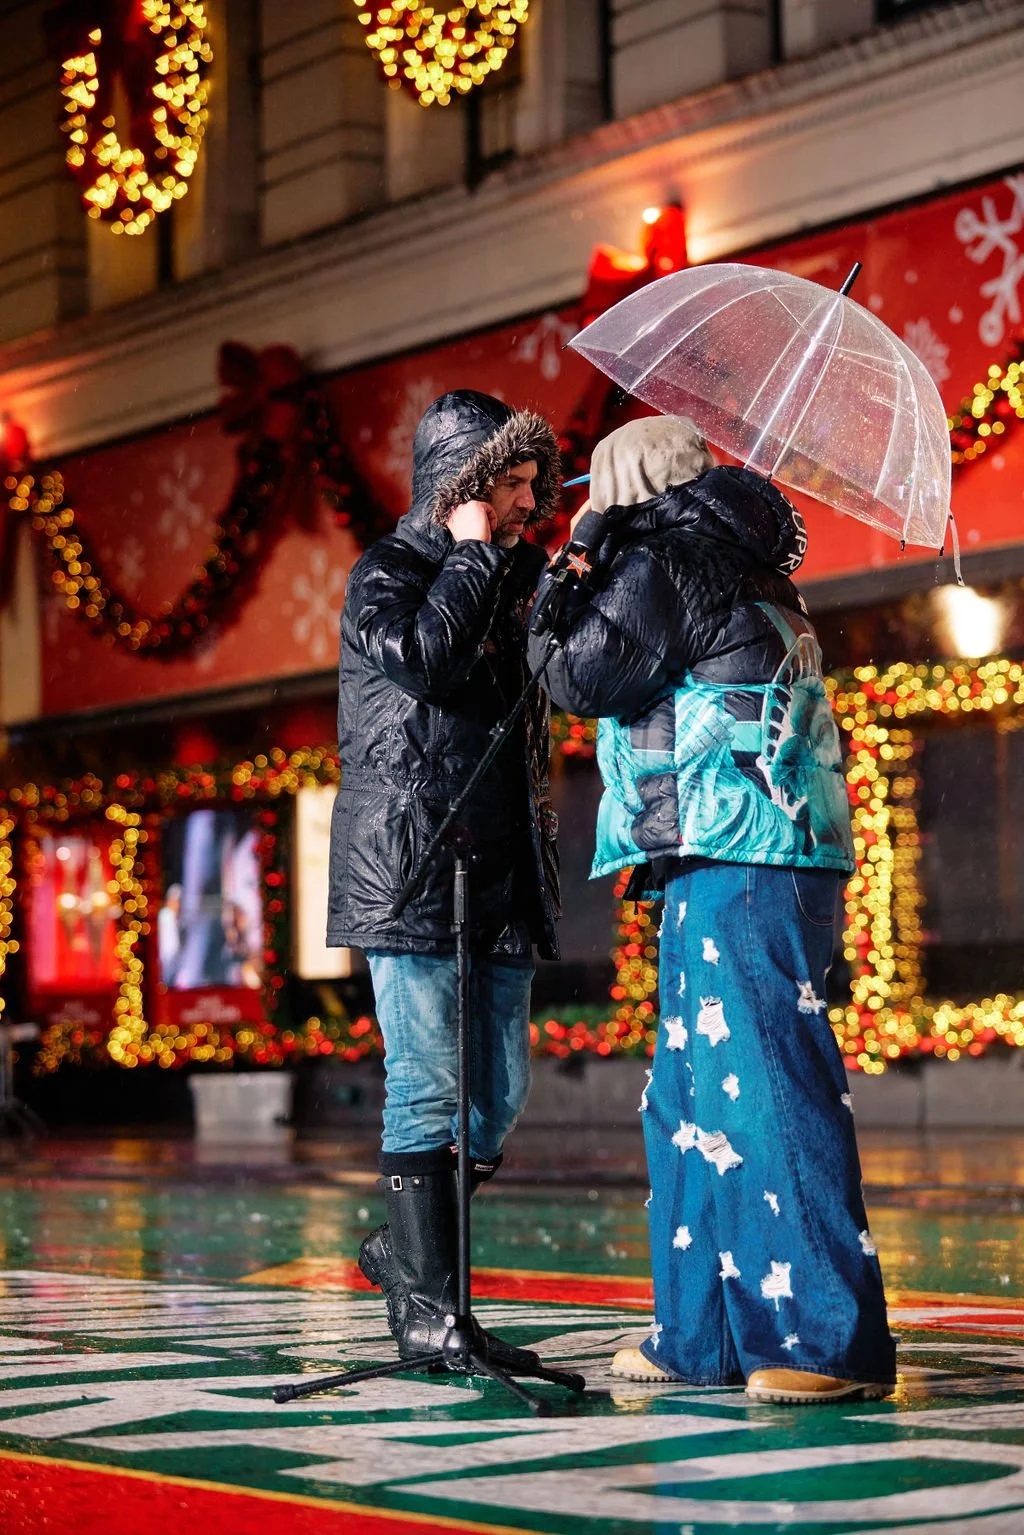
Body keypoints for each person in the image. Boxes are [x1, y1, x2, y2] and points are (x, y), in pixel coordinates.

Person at [530, 415, 895, 1404]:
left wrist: (579, 551)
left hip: (743, 849)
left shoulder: (669, 558)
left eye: (600, 483)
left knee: (765, 1082)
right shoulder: (736, 561)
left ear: (629, 484)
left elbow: (572, 674)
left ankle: (824, 1337)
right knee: (692, 1098)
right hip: (732, 849)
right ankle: (698, 1331)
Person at [327, 389, 561, 1365]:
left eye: (527, 484)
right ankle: (430, 1314)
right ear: (459, 486)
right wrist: (471, 554)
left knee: (494, 1098)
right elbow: (423, 659)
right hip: (411, 866)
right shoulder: (385, 574)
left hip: (500, 869)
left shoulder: (508, 578)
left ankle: (405, 1252)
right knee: (425, 1087)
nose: (525, 501)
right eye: (507, 484)